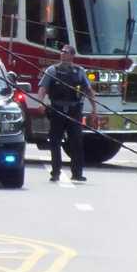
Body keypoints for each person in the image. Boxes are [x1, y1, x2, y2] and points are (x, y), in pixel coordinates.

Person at [36, 44, 97, 182]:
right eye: (62, 52)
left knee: (76, 142)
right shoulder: (52, 70)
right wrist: (40, 102)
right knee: (55, 142)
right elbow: (42, 88)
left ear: (72, 55)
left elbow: (89, 91)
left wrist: (94, 109)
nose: (63, 54)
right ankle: (55, 172)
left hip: (74, 111)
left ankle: (77, 173)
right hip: (57, 110)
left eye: (66, 52)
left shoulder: (80, 71)